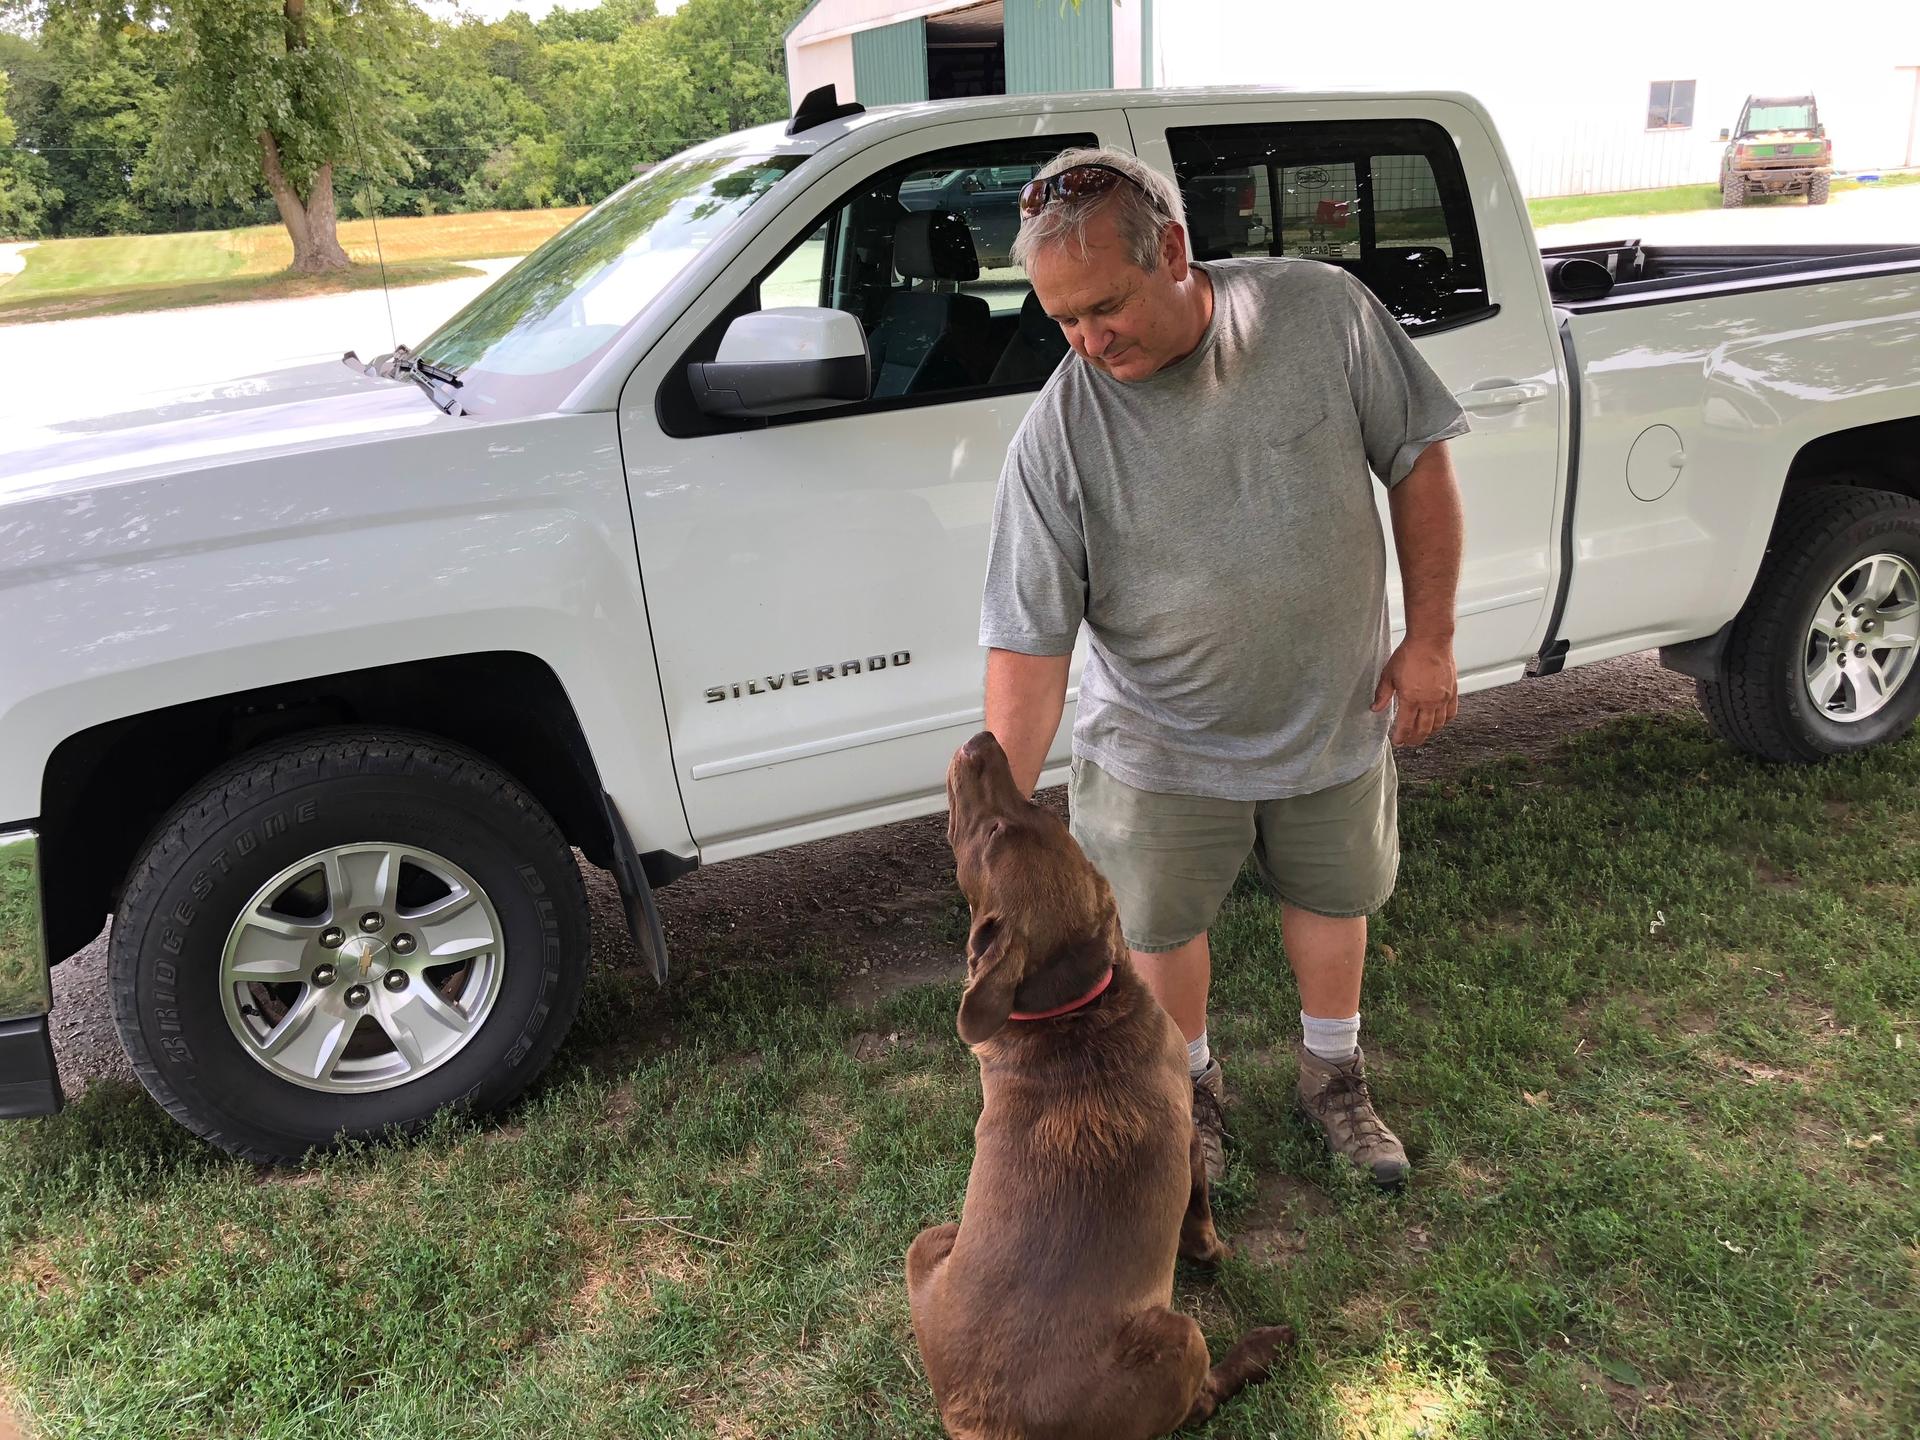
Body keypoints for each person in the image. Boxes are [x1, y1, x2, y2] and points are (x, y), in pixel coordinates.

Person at [978, 148, 1468, 1188]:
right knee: (1159, 926)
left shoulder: (1323, 314)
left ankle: (1332, 1076)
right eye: (1061, 319)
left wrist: (1430, 639)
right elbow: (1029, 643)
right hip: (1159, 744)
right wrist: (999, 821)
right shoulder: (1059, 434)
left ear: (1174, 250)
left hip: (1331, 712)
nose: (1087, 340)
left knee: (1335, 898)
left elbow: (1419, 458)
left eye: (1105, 305)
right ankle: (1189, 1092)